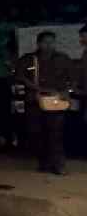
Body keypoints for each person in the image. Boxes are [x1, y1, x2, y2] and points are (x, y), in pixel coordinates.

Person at [18, 32, 76, 175]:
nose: (49, 45)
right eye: (45, 42)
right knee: (36, 133)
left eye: (52, 42)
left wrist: (66, 92)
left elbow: (73, 78)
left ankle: (58, 165)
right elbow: (20, 76)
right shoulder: (28, 59)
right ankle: (44, 163)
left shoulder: (63, 58)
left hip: (56, 101)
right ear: (38, 43)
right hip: (35, 101)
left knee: (55, 134)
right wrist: (37, 88)